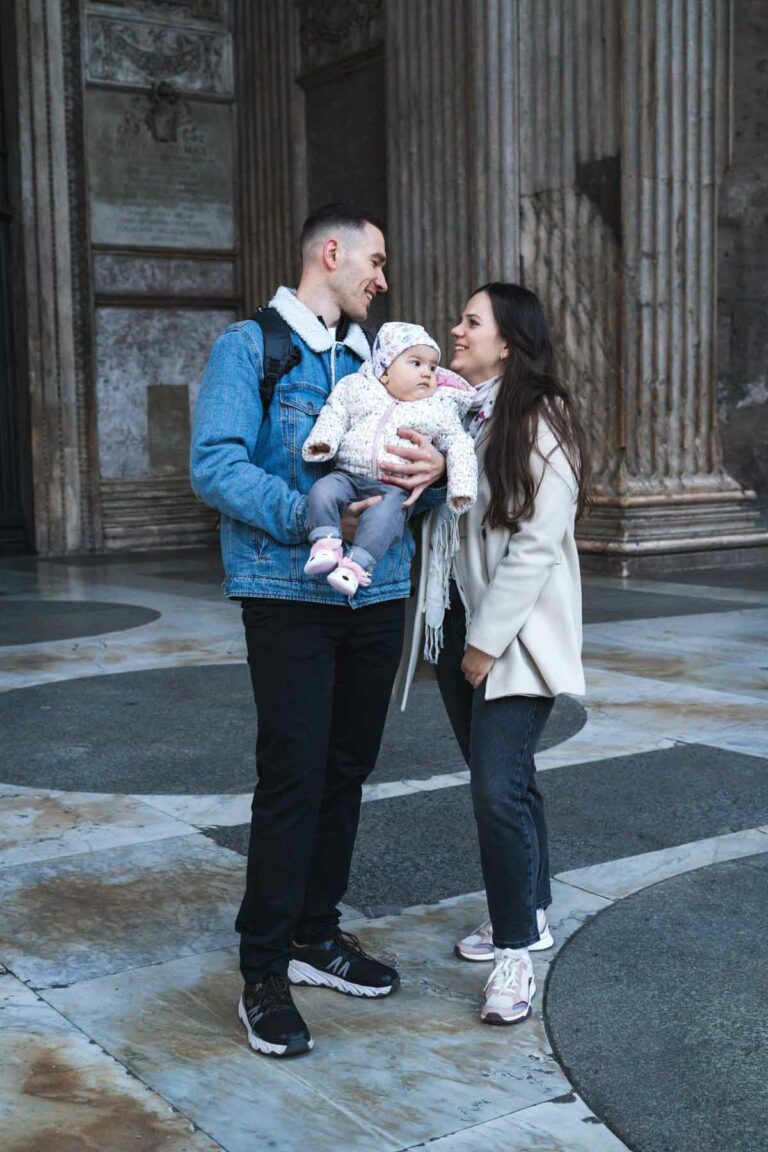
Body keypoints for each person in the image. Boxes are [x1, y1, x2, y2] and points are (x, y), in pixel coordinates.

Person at [190, 203, 446, 1058]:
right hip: (287, 591)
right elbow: (216, 465)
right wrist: (311, 516)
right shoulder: (250, 348)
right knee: (294, 775)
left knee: (347, 768)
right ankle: (263, 968)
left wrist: (435, 471)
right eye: (374, 260)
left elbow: (417, 475)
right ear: (329, 253)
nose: (383, 278)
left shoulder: (386, 361)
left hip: (378, 592)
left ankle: (314, 936)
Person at [400, 283, 589, 1026]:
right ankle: (530, 910)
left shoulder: (543, 416)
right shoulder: (461, 413)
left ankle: (515, 951)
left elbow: (539, 540)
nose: (456, 329)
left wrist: (483, 644)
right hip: (455, 623)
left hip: (509, 636)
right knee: (505, 777)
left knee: (494, 791)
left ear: (507, 340)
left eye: (471, 321)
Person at [302, 321, 478, 596]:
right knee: (322, 490)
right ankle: (326, 543)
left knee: (385, 518)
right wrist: (323, 441)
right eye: (416, 363)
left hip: (393, 488)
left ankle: (355, 566)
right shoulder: (358, 388)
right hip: (347, 474)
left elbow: (459, 442)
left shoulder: (437, 408)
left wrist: (460, 487)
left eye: (432, 367)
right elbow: (336, 412)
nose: (427, 374)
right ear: (384, 371)